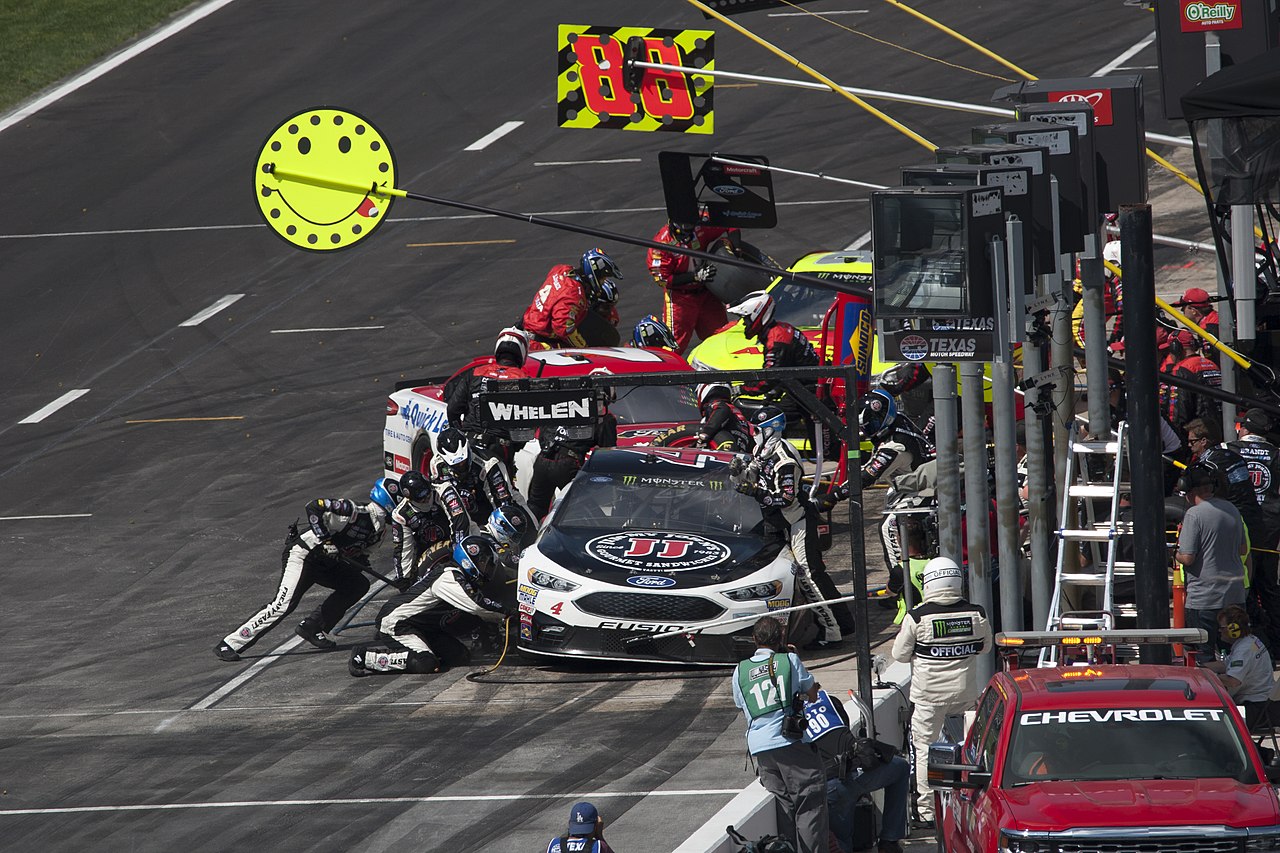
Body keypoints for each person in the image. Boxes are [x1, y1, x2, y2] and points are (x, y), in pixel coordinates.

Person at [215, 482, 390, 662]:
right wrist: (326, 541)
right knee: (283, 604)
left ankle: (313, 627)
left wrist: (361, 564)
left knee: (357, 584)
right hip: (304, 555)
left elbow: (361, 556)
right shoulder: (353, 511)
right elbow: (313, 507)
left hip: (327, 564)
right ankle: (230, 643)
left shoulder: (380, 531)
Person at [732, 406, 853, 645]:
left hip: (797, 521)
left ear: (771, 430)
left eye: (758, 429)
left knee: (810, 574)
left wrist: (755, 491)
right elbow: (749, 478)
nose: (753, 433)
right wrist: (737, 474)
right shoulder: (760, 449)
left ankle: (835, 631)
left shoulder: (785, 459)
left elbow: (785, 498)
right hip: (774, 523)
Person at [891, 557, 991, 828]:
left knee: (925, 750)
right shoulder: (977, 613)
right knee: (972, 748)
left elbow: (898, 655)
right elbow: (985, 648)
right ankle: (973, 799)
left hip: (928, 698)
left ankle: (927, 812)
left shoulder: (917, 617)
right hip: (966, 695)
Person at [731, 616, 828, 853]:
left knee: (783, 807)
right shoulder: (790, 660)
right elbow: (812, 694)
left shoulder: (740, 669)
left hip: (760, 748)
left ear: (754, 639)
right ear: (781, 638)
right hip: (790, 742)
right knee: (809, 801)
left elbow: (740, 703)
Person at [350, 534, 511, 676]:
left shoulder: (460, 577)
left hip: (426, 628)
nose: (488, 569)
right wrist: (508, 613)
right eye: (485, 563)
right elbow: (476, 605)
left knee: (460, 657)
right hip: (397, 622)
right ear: (469, 561)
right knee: (426, 663)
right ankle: (365, 657)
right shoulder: (449, 576)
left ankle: (420, 651)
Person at [807, 689, 909, 853]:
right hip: (858, 773)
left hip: (827, 785)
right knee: (901, 767)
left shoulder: (786, 720)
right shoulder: (828, 700)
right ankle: (889, 841)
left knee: (842, 842)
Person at [1176, 461, 1248, 661]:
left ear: (1189, 489)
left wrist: (1175, 554)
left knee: (1202, 657)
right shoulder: (1232, 509)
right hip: (1234, 595)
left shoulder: (1194, 514)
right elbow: (1243, 549)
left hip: (1204, 599)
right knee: (1235, 653)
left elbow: (1188, 558)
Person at [443, 327, 531, 473]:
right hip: (500, 448)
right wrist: (515, 445)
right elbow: (531, 420)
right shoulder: (524, 380)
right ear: (522, 352)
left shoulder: (475, 372)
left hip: (468, 444)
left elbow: (452, 409)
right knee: (503, 493)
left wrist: (459, 435)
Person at [647, 218, 736, 355]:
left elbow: (730, 222)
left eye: (690, 232)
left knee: (722, 335)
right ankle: (663, 374)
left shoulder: (701, 226)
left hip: (707, 293)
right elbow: (664, 280)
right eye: (683, 234)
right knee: (672, 345)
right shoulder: (660, 245)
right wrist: (694, 276)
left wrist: (737, 249)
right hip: (680, 299)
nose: (687, 238)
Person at [432, 426, 533, 541]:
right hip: (466, 508)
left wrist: (492, 533)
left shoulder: (489, 464)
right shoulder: (437, 465)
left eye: (463, 461)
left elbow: (503, 503)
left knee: (528, 533)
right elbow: (447, 503)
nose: (461, 466)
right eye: (456, 465)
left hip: (498, 502)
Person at [522, 248, 623, 348]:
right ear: (595, 274)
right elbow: (563, 328)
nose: (602, 282)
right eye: (603, 278)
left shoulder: (561, 270)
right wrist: (584, 347)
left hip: (528, 326)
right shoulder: (574, 294)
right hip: (540, 344)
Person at [388, 470, 472, 584]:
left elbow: (461, 522)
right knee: (413, 581)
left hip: (455, 541)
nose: (426, 497)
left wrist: (459, 552)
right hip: (427, 552)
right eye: (421, 496)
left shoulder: (444, 490)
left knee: (474, 543)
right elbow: (403, 549)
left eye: (427, 491)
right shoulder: (400, 515)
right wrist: (404, 578)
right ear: (410, 498)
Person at [1203, 605, 1275, 730]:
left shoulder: (1244, 650)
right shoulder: (1250, 641)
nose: (1220, 631)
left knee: (1211, 722)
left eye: (1222, 628)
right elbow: (1225, 664)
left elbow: (1233, 681)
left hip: (1256, 710)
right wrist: (1198, 668)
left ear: (1234, 629)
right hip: (1264, 706)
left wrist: (1209, 677)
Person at [693, 382, 751, 451]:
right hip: (740, 455)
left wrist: (704, 434)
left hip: (723, 453)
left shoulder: (717, 405)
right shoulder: (739, 414)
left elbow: (722, 410)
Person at [546, 801, 616, 853]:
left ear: (570, 824)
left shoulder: (554, 845)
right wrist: (599, 836)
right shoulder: (598, 846)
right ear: (595, 826)